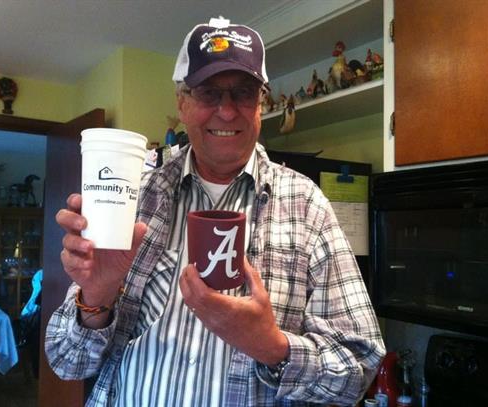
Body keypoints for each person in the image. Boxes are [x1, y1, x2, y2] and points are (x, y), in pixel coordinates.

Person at [45, 16, 385, 407]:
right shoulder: (134, 198)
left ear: (260, 103)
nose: (227, 112)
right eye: (209, 93)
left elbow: (359, 370)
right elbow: (67, 362)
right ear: (182, 102)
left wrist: (273, 346)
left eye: (243, 93)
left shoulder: (307, 206)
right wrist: (97, 296)